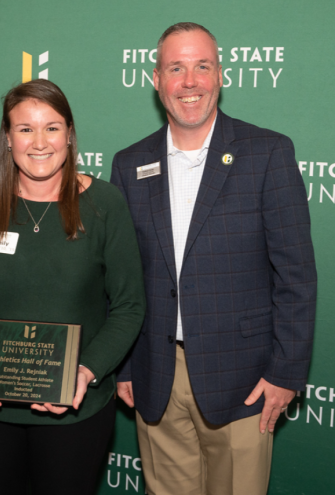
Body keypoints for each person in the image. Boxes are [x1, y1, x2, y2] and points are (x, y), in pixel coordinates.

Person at [111, 22, 317, 495]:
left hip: (244, 379)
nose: (189, 81)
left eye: (202, 66)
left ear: (220, 75)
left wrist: (286, 373)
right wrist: (123, 366)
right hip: (155, 376)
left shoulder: (267, 152)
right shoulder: (129, 163)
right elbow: (120, 279)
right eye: (176, 68)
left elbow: (296, 276)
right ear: (156, 79)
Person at [0, 79, 145, 495]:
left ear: (69, 134)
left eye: (52, 126)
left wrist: (85, 372)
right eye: (25, 128)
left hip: (75, 411)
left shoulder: (105, 205)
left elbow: (129, 306)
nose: (39, 141)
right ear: (7, 138)